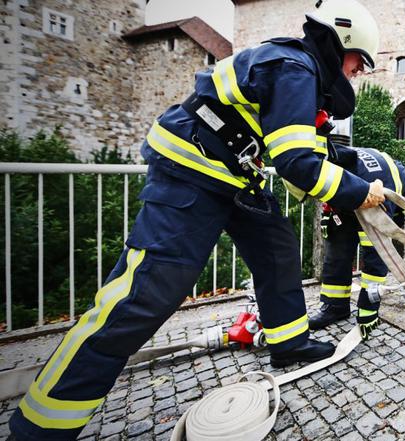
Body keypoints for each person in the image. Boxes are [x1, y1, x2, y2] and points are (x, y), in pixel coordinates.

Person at [9, 1, 382, 440]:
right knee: (148, 292)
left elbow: (299, 156)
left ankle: (289, 342)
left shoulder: (297, 70)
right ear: (344, 42)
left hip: (232, 172)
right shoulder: (295, 69)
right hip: (191, 168)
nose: (357, 74)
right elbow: (297, 162)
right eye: (360, 64)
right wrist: (361, 191)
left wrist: (332, 186)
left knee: (277, 248)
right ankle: (40, 426)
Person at [308, 145, 405, 339]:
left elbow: (377, 256)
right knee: (338, 249)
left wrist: (367, 311)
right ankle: (335, 307)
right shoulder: (330, 166)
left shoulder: (373, 185)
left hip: (398, 200)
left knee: (401, 259)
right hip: (354, 198)